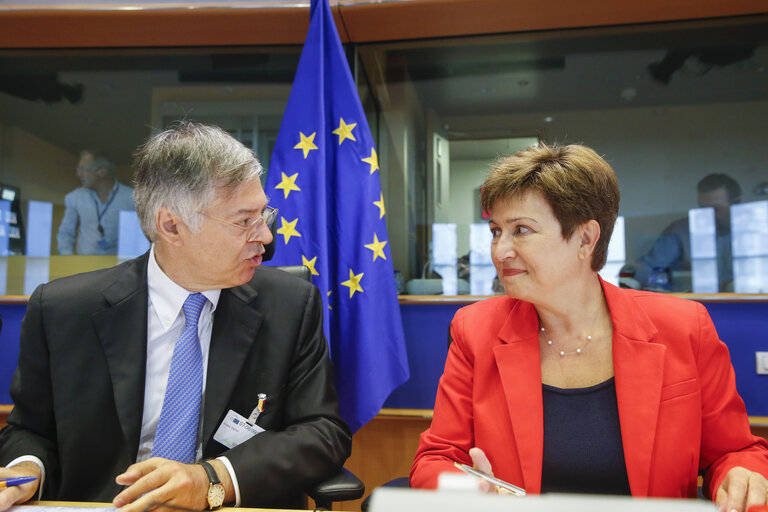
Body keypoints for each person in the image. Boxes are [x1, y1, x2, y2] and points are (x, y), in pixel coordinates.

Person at [0, 121, 351, 511]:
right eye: (243, 221)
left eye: (263, 215)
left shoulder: (290, 306)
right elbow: (30, 430)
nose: (265, 237)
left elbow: (323, 432)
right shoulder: (64, 310)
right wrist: (23, 470)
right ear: (172, 226)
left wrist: (212, 478)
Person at [410, 144, 768, 511]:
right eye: (496, 231)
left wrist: (741, 474)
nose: (500, 251)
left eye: (521, 230)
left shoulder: (683, 327)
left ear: (585, 239)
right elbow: (434, 459)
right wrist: (469, 493)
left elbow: (735, 452)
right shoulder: (475, 330)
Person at [631, 173, 741, 292]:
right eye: (703, 208)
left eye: (716, 208)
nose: (707, 215)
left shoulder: (757, 232)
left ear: (736, 204)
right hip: (691, 302)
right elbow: (650, 267)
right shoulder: (681, 230)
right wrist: (630, 274)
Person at [56, 150, 136, 255]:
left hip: (120, 267)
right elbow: (66, 233)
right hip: (86, 266)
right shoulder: (75, 197)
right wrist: (69, 260)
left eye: (83, 169)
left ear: (102, 172)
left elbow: (139, 236)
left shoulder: (131, 198)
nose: (78, 174)